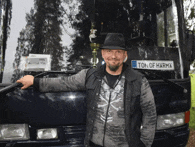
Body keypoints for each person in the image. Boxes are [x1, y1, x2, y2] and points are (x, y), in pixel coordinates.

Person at [17, 33, 157, 147]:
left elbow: (150, 115)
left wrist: (145, 144)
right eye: (109, 51)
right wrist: (35, 81)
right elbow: (65, 83)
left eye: (118, 52)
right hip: (94, 143)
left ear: (124, 55)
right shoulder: (90, 75)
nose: (113, 56)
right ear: (103, 53)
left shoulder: (139, 81)